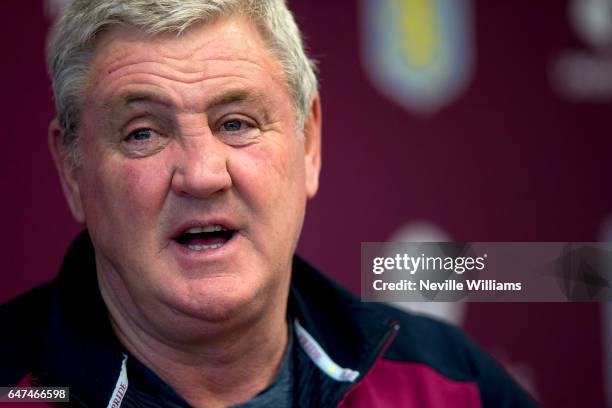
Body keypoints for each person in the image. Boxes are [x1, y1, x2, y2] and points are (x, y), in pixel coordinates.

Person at [0, 1, 538, 407]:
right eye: (143, 133)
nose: (203, 175)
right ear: (73, 168)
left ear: (309, 144)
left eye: (236, 123)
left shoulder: (450, 383)